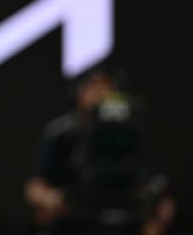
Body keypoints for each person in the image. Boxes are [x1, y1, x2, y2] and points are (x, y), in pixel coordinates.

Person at [23, 65, 174, 235]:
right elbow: (35, 187)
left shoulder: (132, 130)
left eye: (106, 87)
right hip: (74, 219)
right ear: (80, 93)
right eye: (94, 87)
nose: (100, 93)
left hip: (125, 218)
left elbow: (149, 180)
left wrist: (158, 210)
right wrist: (52, 199)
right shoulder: (62, 133)